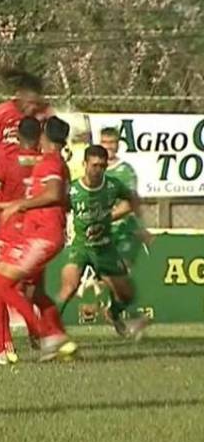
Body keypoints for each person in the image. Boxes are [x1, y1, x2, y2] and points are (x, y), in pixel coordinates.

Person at [0, 116, 76, 362]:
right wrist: (13, 206)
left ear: (45, 136)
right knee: (25, 290)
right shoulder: (56, 163)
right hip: (39, 233)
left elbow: (54, 193)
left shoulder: (51, 163)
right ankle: (53, 335)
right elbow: (62, 200)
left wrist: (20, 205)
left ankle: (43, 335)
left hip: (41, 235)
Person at [56, 145, 150, 338]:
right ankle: (47, 331)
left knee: (126, 295)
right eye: (94, 165)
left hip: (105, 247)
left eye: (102, 166)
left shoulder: (112, 186)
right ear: (84, 164)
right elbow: (58, 210)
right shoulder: (73, 190)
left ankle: (113, 313)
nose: (97, 170)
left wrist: (112, 218)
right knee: (68, 288)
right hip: (80, 246)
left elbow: (132, 200)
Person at [0, 116, 42, 364]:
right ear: (39, 136)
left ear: (17, 136)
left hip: (8, 232)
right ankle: (12, 343)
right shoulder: (46, 163)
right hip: (35, 234)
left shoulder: (7, 162)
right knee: (25, 290)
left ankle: (0, 348)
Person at [99, 127, 153, 268]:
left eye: (112, 142)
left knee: (120, 270)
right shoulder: (93, 169)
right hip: (99, 232)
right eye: (105, 142)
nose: (109, 146)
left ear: (118, 144)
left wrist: (104, 219)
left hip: (122, 231)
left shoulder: (125, 171)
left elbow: (129, 203)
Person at [0, 68, 48, 165]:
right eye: (30, 103)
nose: (33, 107)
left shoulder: (42, 115)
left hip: (29, 166)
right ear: (19, 96)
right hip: (1, 170)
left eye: (37, 104)